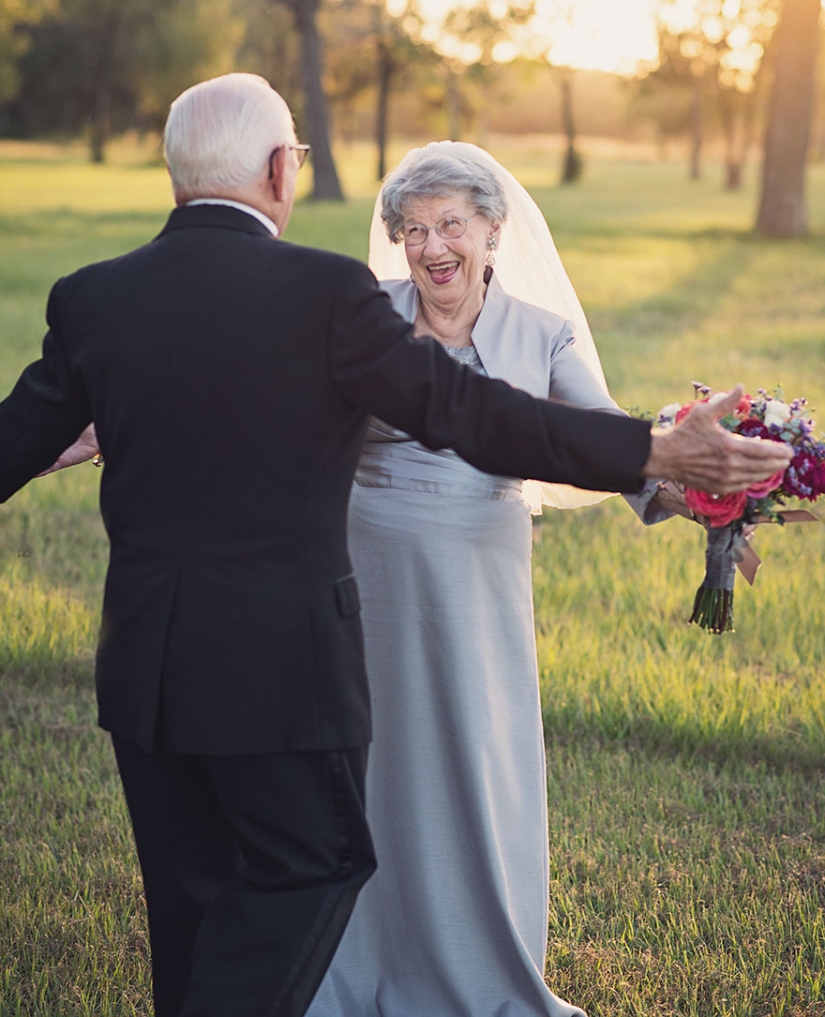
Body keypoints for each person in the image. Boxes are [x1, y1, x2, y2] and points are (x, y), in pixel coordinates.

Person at [1, 74, 790, 1017]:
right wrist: (654, 445)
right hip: (283, 662)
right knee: (318, 865)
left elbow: (45, 433)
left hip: (145, 670)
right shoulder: (328, 292)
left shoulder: (94, 296)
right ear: (274, 169)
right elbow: (466, 410)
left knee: (192, 901)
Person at [303, 142, 699, 1017]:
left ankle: (477, 966)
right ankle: (354, 960)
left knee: (477, 758)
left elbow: (604, 441)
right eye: (413, 229)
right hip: (368, 577)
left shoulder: (540, 333)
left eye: (451, 224)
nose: (432, 245)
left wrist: (699, 499)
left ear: (492, 229)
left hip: (478, 579)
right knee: (370, 763)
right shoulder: (365, 318)